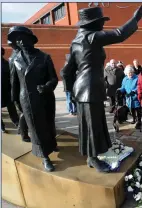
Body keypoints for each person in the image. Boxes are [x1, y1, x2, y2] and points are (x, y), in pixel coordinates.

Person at [60, 6, 142, 173]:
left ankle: (96, 153)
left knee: (94, 123)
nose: (102, 26)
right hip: (89, 88)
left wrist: (72, 90)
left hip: (84, 89)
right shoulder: (91, 37)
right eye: (100, 23)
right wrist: (136, 17)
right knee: (93, 125)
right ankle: (92, 158)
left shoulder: (77, 40)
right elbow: (120, 34)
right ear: (93, 23)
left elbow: (66, 71)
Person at [8, 26, 58, 172]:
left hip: (46, 97)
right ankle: (44, 157)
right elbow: (14, 84)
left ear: (31, 40)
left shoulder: (44, 57)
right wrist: (16, 102)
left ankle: (52, 144)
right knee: (36, 128)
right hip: (27, 99)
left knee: (49, 123)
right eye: (18, 40)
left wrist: (47, 86)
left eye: (23, 38)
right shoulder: (15, 61)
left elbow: (54, 78)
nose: (21, 42)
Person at [8, 37, 30, 141]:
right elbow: (13, 80)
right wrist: (14, 97)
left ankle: (22, 130)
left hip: (24, 90)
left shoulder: (19, 55)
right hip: (21, 91)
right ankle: (23, 133)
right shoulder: (14, 58)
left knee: (25, 113)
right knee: (24, 113)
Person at [1, 47, 19, 133]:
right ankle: (1, 126)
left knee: (12, 108)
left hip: (7, 90)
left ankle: (17, 122)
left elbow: (11, 77)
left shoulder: (7, 64)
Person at [118, 65, 141, 129]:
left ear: (133, 72)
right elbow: (123, 87)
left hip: (136, 97)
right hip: (128, 97)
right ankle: (134, 119)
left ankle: (139, 121)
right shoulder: (125, 79)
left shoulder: (137, 78)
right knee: (131, 109)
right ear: (126, 73)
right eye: (128, 73)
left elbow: (139, 86)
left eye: (131, 72)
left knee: (138, 109)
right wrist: (120, 90)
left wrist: (133, 91)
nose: (130, 74)